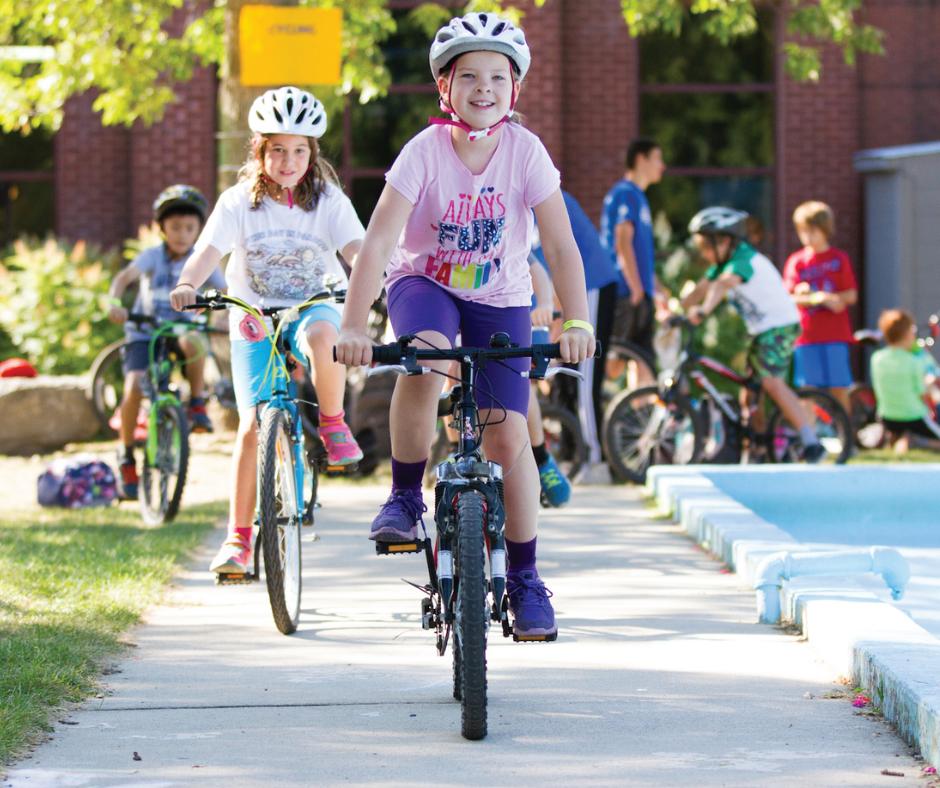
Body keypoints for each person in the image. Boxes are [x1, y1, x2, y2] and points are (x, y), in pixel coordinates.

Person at [334, 12, 595, 639]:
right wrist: (354, 326)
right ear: (445, 86)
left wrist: (576, 319)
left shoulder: (526, 152)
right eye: (470, 76)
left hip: (501, 296)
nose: (485, 88)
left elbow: (561, 245)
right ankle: (404, 495)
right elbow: (378, 243)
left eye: (498, 77)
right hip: (424, 283)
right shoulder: (423, 152)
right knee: (425, 356)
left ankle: (526, 579)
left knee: (508, 436)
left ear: (515, 87)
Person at [169, 86, 366, 575]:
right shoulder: (239, 202)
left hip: (313, 305)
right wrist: (188, 283)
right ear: (259, 151)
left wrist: (371, 277)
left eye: (299, 150)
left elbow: (357, 250)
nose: (288, 161)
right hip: (253, 312)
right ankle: (238, 540)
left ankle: (333, 422)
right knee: (253, 424)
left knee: (324, 338)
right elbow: (207, 252)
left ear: (312, 153)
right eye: (277, 149)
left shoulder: (329, 201)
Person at [679, 206, 826, 463]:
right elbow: (703, 287)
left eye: (705, 246)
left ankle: (811, 441)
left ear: (724, 241)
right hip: (762, 331)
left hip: (780, 326)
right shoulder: (723, 263)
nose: (703, 253)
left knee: (771, 382)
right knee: (749, 393)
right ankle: (757, 446)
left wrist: (702, 311)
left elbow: (722, 285)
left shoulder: (743, 260)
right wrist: (676, 309)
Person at [107, 185, 225, 501]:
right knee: (134, 386)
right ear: (161, 228)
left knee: (194, 340)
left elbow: (226, 291)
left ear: (199, 230)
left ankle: (197, 402)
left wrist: (220, 311)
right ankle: (126, 454)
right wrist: (114, 303)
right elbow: (123, 279)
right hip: (145, 332)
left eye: (189, 228)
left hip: (180, 330)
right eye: (175, 227)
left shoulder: (202, 261)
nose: (182, 234)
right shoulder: (152, 257)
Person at [532, 189, 620, 477]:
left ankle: (596, 460)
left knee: (584, 377)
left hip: (591, 285)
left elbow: (556, 271)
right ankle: (573, 454)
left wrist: (557, 328)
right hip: (573, 289)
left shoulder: (538, 193)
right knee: (565, 377)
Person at [599, 138, 668, 389]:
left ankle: (640, 410)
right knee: (616, 361)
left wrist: (656, 288)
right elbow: (622, 241)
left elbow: (640, 253)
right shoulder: (625, 193)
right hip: (626, 291)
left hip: (639, 291)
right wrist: (636, 288)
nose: (662, 166)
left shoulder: (639, 197)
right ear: (641, 159)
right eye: (657, 158)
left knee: (643, 359)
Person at [783, 201, 858, 414]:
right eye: (803, 232)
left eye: (812, 231)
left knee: (839, 387)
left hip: (835, 335)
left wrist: (831, 299)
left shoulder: (838, 259)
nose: (807, 237)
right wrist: (812, 297)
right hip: (807, 336)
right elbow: (788, 296)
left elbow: (851, 295)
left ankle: (844, 430)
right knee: (808, 389)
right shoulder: (797, 261)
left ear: (825, 230)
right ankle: (809, 432)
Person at [870, 309, 940, 451]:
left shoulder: (876, 358)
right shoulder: (913, 361)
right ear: (908, 334)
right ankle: (918, 442)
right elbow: (922, 394)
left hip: (886, 417)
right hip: (914, 417)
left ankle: (903, 439)